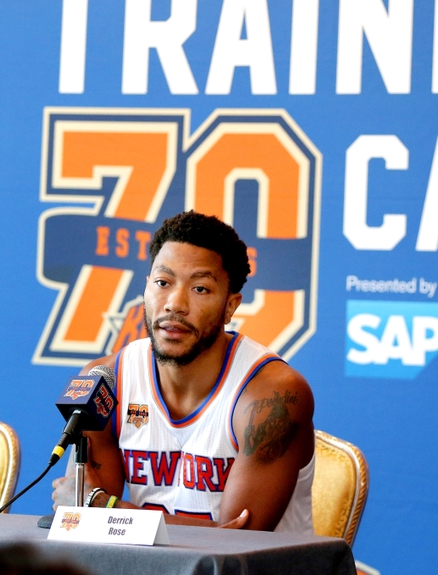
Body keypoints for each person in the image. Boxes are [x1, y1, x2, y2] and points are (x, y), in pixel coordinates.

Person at [51, 211, 315, 533]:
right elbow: (85, 523)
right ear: (146, 287)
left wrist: (109, 507)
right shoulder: (105, 381)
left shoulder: (272, 396)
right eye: (163, 283)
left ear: (230, 306)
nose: (175, 304)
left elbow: (236, 543)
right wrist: (97, 508)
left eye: (200, 289)